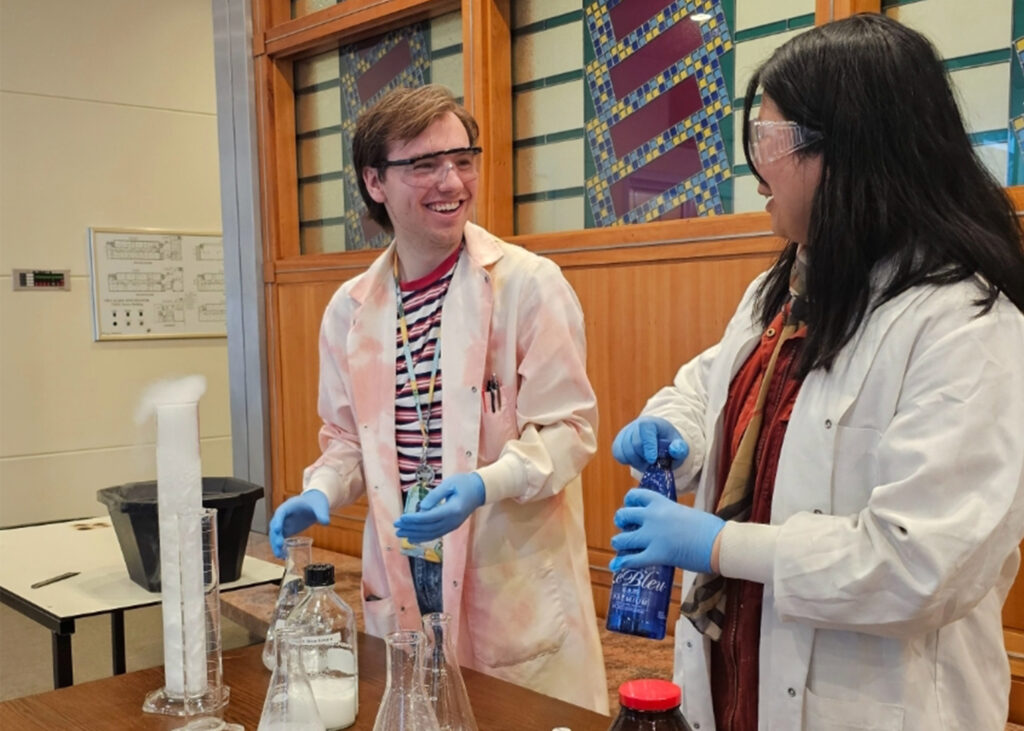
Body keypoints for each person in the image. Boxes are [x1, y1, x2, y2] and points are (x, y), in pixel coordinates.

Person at [609, 14, 1024, 730]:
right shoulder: (790, 285)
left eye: (768, 140)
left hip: (877, 701)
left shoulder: (965, 324)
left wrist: (715, 543)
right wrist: (670, 427)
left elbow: (921, 563)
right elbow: (714, 385)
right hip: (739, 667)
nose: (755, 166)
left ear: (851, 153)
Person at [268, 84, 608, 714]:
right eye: (424, 165)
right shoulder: (350, 309)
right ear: (375, 181)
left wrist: (486, 483)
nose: (451, 181)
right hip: (404, 568)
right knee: (414, 715)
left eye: (462, 159)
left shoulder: (527, 287)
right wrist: (320, 491)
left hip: (504, 573)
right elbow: (345, 440)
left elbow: (569, 430)